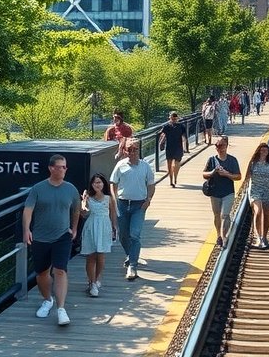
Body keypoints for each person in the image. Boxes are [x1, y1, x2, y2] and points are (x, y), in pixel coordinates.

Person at [23, 154, 80, 326]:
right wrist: (26, 230)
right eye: (60, 166)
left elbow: (76, 210)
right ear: (51, 168)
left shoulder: (71, 189)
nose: (63, 170)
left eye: (65, 167)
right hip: (40, 237)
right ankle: (48, 300)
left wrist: (75, 228)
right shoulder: (38, 188)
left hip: (63, 236)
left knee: (60, 270)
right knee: (41, 273)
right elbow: (28, 210)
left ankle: (61, 309)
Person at [110, 139, 156, 280]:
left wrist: (148, 200)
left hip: (139, 205)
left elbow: (151, 184)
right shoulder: (120, 165)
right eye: (129, 149)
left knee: (134, 235)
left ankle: (133, 266)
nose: (132, 152)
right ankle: (131, 255)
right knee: (123, 235)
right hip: (123, 204)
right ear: (125, 151)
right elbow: (113, 182)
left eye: (135, 149)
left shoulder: (145, 166)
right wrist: (114, 198)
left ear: (138, 150)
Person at [79, 173, 117, 298]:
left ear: (103, 184)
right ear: (92, 184)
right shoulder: (88, 197)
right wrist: (83, 205)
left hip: (104, 227)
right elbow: (84, 214)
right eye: (95, 182)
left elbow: (112, 214)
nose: (98, 184)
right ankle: (92, 282)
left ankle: (96, 278)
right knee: (91, 256)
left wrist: (113, 229)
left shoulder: (108, 198)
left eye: (100, 182)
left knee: (101, 257)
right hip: (91, 226)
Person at [202, 135, 241, 248]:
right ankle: (218, 235)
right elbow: (204, 174)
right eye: (217, 145)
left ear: (226, 146)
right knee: (217, 215)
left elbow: (238, 176)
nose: (219, 148)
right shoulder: (212, 160)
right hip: (215, 192)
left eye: (221, 145)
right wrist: (213, 172)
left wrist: (226, 174)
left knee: (225, 215)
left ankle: (224, 237)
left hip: (228, 192)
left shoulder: (232, 160)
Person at [245, 142, 269, 248]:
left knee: (267, 213)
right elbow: (247, 177)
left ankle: (264, 237)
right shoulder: (253, 163)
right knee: (258, 211)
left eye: (266, 150)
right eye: (262, 150)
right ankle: (258, 237)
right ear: (259, 151)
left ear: (268, 152)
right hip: (255, 189)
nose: (264, 152)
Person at [158, 111, 189, 187]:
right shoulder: (166, 126)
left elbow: (185, 137)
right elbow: (162, 134)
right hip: (170, 147)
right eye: (172, 118)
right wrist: (161, 142)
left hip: (178, 147)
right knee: (169, 164)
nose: (174, 119)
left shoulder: (181, 126)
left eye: (175, 118)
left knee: (176, 164)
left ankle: (175, 178)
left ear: (177, 118)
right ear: (170, 118)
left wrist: (186, 146)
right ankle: (171, 180)